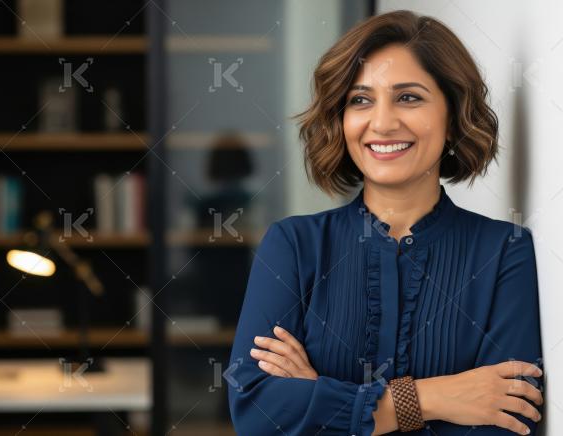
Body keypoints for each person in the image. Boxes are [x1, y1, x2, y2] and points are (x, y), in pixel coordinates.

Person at [226, 9, 544, 435]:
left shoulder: (504, 252)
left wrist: (318, 393)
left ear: (452, 117)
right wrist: (436, 398)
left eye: (408, 97)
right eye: (360, 100)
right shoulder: (293, 245)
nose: (381, 122)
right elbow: (256, 411)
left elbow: (509, 423)